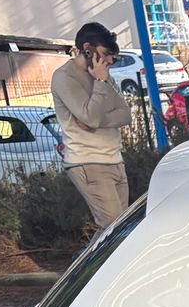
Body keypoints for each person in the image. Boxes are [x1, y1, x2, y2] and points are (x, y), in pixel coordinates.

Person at [52, 22, 134, 227]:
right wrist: (100, 83)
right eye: (106, 53)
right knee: (113, 229)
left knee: (119, 229)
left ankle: (91, 260)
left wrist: (98, 121)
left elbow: (125, 115)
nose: (110, 60)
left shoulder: (104, 77)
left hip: (114, 158)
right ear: (87, 49)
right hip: (88, 161)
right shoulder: (65, 77)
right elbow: (90, 116)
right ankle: (90, 261)